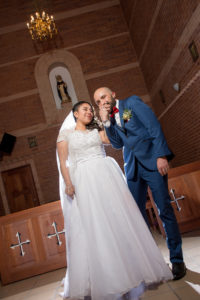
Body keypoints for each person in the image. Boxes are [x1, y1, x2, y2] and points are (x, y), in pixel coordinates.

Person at [57, 101, 173, 300]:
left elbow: (114, 141)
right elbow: (63, 162)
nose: (88, 112)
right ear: (75, 114)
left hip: (106, 177)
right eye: (84, 109)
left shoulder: (97, 131)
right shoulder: (65, 135)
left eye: (90, 109)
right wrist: (68, 183)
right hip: (84, 181)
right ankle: (106, 275)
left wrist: (106, 121)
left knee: (117, 220)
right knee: (95, 224)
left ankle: (131, 270)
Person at [93, 87, 186, 281]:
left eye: (103, 97)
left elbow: (153, 127)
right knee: (136, 215)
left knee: (164, 210)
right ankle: (152, 261)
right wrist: (106, 122)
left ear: (113, 95)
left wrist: (161, 155)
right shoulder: (110, 118)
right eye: (98, 101)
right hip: (132, 168)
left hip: (152, 162)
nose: (102, 102)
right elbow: (117, 144)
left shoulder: (131, 103)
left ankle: (177, 260)